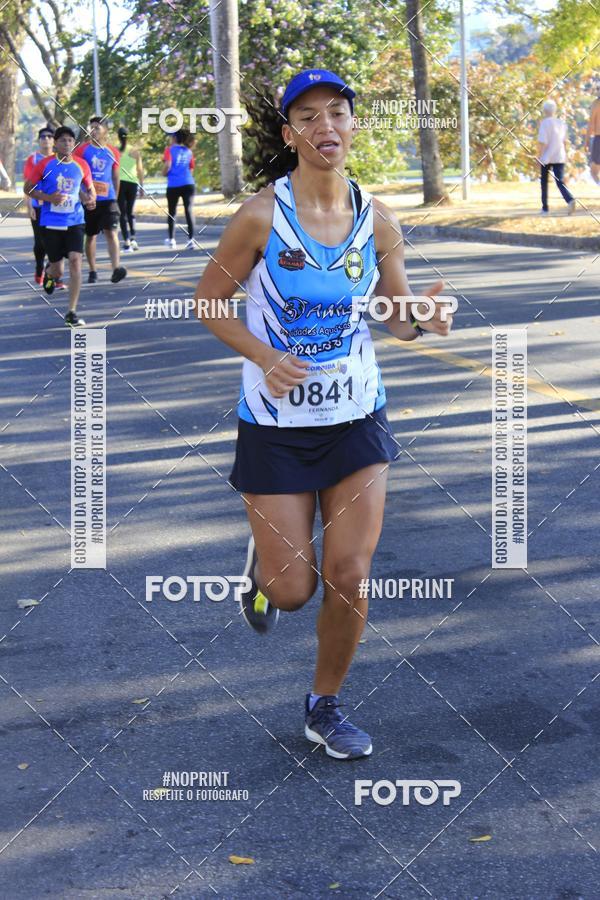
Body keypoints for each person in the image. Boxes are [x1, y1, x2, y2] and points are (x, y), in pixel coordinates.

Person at [194, 69, 453, 760]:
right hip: (275, 424)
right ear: (289, 134)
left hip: (354, 415)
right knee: (290, 589)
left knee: (351, 572)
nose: (325, 127)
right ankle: (264, 568)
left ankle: (325, 705)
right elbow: (209, 301)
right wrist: (263, 355)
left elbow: (396, 319)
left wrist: (422, 317)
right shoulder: (259, 215)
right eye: (307, 117)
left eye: (337, 112)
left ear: (354, 125)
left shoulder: (380, 217)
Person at [24, 125, 96, 327]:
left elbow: (90, 189)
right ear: (56, 143)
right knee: (57, 269)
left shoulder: (82, 165)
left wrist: (91, 200)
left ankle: (71, 312)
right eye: (62, 140)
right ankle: (49, 274)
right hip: (50, 222)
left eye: (70, 140)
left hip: (75, 220)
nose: (67, 143)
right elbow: (28, 188)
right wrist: (48, 198)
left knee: (75, 260)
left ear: (74, 144)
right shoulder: (45, 165)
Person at [74, 116, 127, 283]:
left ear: (105, 130)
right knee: (91, 236)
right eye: (91, 127)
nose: (93, 130)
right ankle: (92, 269)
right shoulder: (82, 150)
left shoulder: (113, 152)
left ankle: (116, 268)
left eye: (97, 127)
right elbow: (75, 171)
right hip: (89, 199)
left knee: (112, 233)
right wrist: (81, 195)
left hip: (108, 199)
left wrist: (115, 199)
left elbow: (115, 176)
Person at [23, 127, 64, 288]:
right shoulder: (32, 160)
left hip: (58, 208)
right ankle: (40, 267)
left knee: (58, 243)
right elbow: (27, 186)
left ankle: (55, 275)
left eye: (49, 136)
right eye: (43, 137)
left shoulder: (60, 159)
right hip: (38, 206)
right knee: (41, 243)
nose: (46, 139)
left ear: (53, 140)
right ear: (39, 140)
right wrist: (29, 207)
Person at [537, 100, 576, 215]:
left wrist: (539, 156)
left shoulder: (545, 123)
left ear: (544, 111)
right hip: (559, 155)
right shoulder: (561, 123)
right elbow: (565, 141)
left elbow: (543, 142)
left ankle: (545, 208)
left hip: (546, 157)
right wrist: (567, 154)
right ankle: (570, 199)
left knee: (544, 182)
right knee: (560, 181)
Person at [162, 128, 197, 249]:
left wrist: (164, 173)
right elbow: (191, 168)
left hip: (173, 185)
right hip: (188, 183)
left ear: (175, 138)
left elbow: (168, 165)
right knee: (189, 210)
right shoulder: (188, 151)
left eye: (171, 137)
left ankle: (172, 240)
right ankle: (191, 240)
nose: (170, 139)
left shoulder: (169, 150)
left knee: (172, 211)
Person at [117, 125, 144, 251]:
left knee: (122, 213)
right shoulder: (134, 151)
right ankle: (133, 238)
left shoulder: (116, 151)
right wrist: (142, 186)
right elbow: (140, 170)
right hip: (132, 183)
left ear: (118, 137)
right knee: (130, 212)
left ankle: (126, 240)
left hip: (119, 183)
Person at [585, 95, 600, 185]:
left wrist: (586, 141)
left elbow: (591, 123)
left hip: (598, 137)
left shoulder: (596, 103)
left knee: (593, 171)